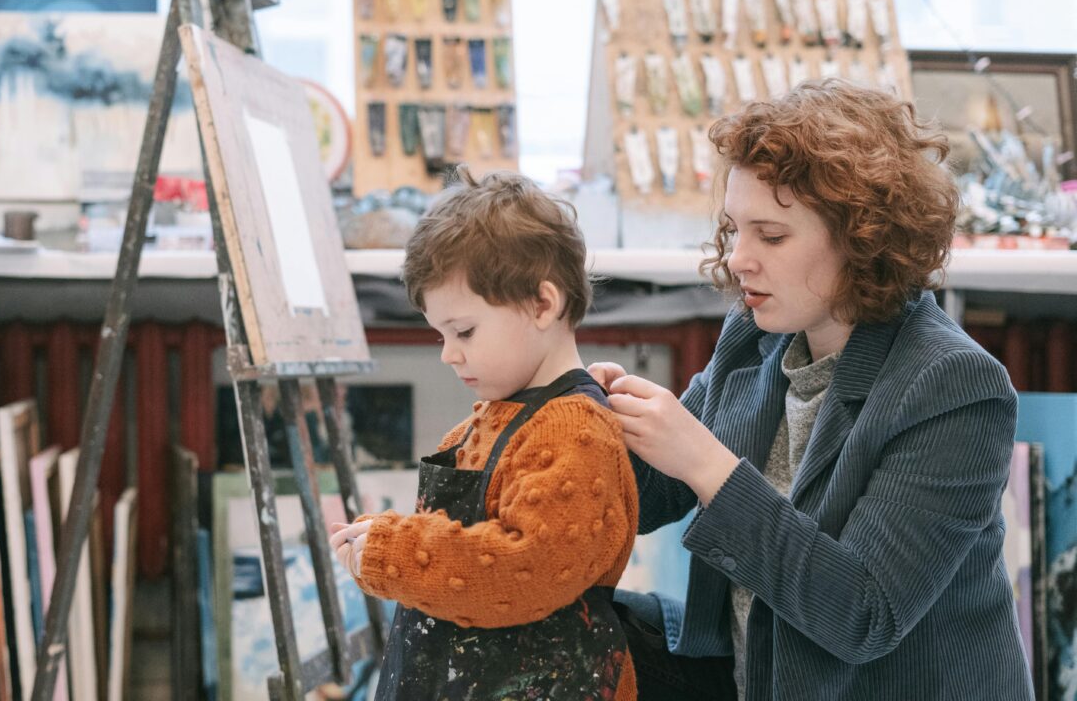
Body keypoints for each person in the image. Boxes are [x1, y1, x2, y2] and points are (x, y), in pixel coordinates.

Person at [589, 79, 1033, 700]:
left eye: (770, 236)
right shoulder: (757, 337)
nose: (740, 258)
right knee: (550, 626)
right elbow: (649, 491)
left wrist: (706, 463)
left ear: (863, 238)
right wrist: (578, 411)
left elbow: (862, 614)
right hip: (758, 679)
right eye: (734, 229)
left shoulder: (954, 387)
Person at [330, 166, 640, 700]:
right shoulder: (488, 420)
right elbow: (456, 540)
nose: (449, 353)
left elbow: (526, 569)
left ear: (543, 304)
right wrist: (382, 536)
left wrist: (396, 553)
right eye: (440, 335)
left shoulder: (574, 431)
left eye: (464, 331)